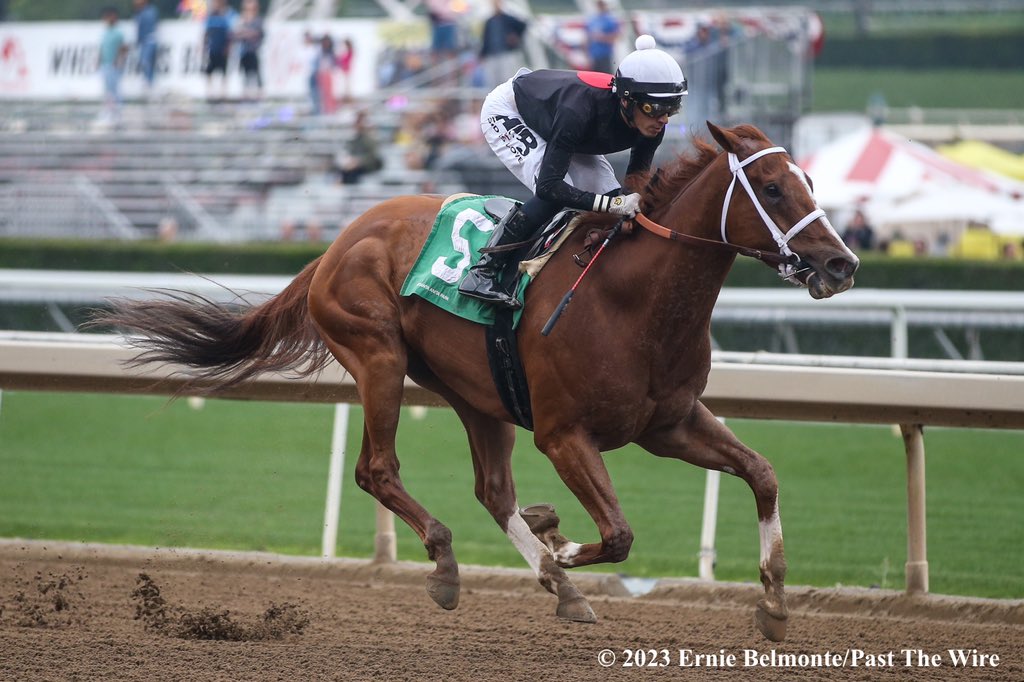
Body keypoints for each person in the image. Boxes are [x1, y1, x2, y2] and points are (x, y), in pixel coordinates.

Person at [460, 34, 686, 309]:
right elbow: (549, 187)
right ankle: (483, 271)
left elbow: (631, 187)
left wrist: (623, 202)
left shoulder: (652, 127)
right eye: (655, 108)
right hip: (510, 111)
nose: (662, 119)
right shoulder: (577, 110)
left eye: (672, 108)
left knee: (612, 197)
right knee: (560, 193)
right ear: (626, 101)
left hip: (562, 125)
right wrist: (614, 204)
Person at [479, 0, 527, 89]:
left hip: (506, 53)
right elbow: (485, 39)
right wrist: (482, 54)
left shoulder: (508, 18)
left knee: (506, 79)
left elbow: (523, 25)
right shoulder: (489, 21)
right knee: (493, 81)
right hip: (492, 54)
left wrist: (515, 36)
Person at [335, 110, 383, 184]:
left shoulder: (370, 138)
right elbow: (347, 151)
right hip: (354, 165)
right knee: (344, 170)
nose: (357, 124)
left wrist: (358, 162)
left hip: (369, 166)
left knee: (350, 173)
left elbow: (373, 156)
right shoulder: (354, 138)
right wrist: (350, 162)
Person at [98, 6, 128, 124]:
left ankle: (118, 113)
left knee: (115, 90)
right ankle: (108, 112)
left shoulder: (118, 32)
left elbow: (124, 48)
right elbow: (102, 48)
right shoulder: (105, 32)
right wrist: (98, 61)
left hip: (113, 65)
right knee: (107, 90)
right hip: (105, 64)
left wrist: (118, 60)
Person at [233, 0, 265, 101]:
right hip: (244, 52)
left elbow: (258, 34)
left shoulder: (258, 20)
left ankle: (259, 96)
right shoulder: (242, 19)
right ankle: (246, 96)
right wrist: (247, 33)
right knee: (245, 75)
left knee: (256, 74)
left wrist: (246, 33)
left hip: (254, 51)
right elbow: (237, 34)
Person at [202, 0, 233, 102]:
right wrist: (204, 47)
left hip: (222, 51)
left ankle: (223, 94)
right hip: (212, 50)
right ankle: (210, 94)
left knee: (223, 73)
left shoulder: (225, 18)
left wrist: (228, 48)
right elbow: (206, 34)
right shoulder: (210, 18)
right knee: (209, 72)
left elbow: (229, 36)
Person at [585, 0, 620, 74]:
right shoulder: (592, 20)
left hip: (605, 54)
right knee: (594, 77)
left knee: (606, 76)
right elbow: (588, 37)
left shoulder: (610, 20)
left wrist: (601, 37)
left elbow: (616, 36)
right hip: (594, 54)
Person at [133, 0, 160, 95]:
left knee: (146, 61)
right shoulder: (140, 13)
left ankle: (150, 83)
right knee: (146, 62)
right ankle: (148, 82)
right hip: (144, 41)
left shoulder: (150, 12)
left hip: (149, 40)